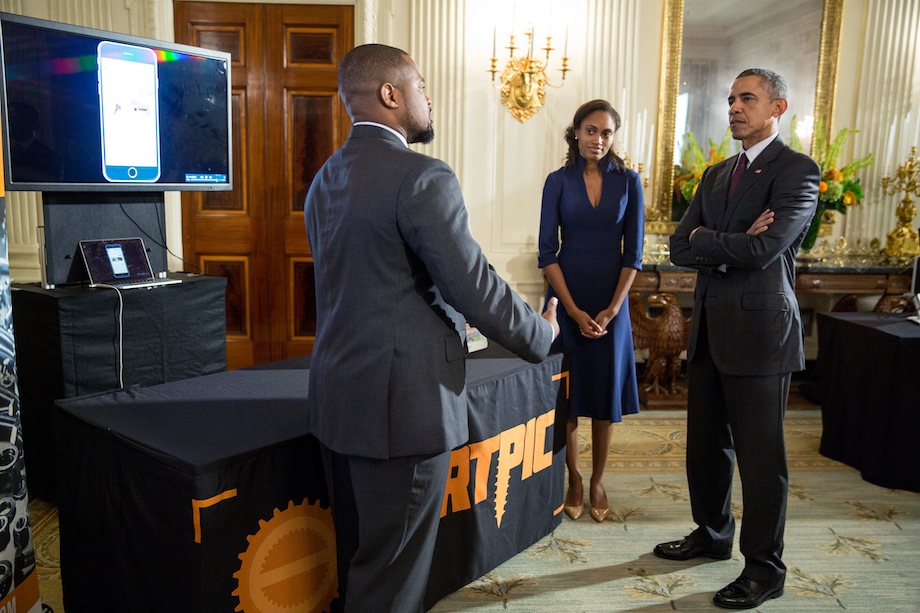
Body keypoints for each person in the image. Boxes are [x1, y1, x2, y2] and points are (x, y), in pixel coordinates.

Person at [303, 43, 559, 613]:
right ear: (390, 95)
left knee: (363, 560)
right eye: (420, 85)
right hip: (402, 409)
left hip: (338, 399)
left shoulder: (326, 178)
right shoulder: (421, 176)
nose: (428, 97)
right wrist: (543, 335)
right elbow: (473, 285)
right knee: (391, 580)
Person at [656, 68, 820, 610]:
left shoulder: (797, 170)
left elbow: (764, 250)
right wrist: (720, 240)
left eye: (746, 98)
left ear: (777, 107)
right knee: (705, 449)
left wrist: (711, 241)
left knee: (760, 457)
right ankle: (713, 534)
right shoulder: (716, 172)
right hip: (709, 329)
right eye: (730, 99)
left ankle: (765, 568)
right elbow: (680, 247)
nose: (734, 107)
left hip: (760, 332)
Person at [537, 99, 644, 523]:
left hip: (611, 301)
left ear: (613, 138)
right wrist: (573, 310)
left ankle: (598, 478)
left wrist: (613, 310)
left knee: (603, 394)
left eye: (606, 133)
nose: (598, 139)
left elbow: (633, 254)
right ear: (576, 132)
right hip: (566, 297)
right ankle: (575, 478)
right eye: (590, 130)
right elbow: (547, 253)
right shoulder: (556, 182)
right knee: (568, 395)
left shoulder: (629, 181)